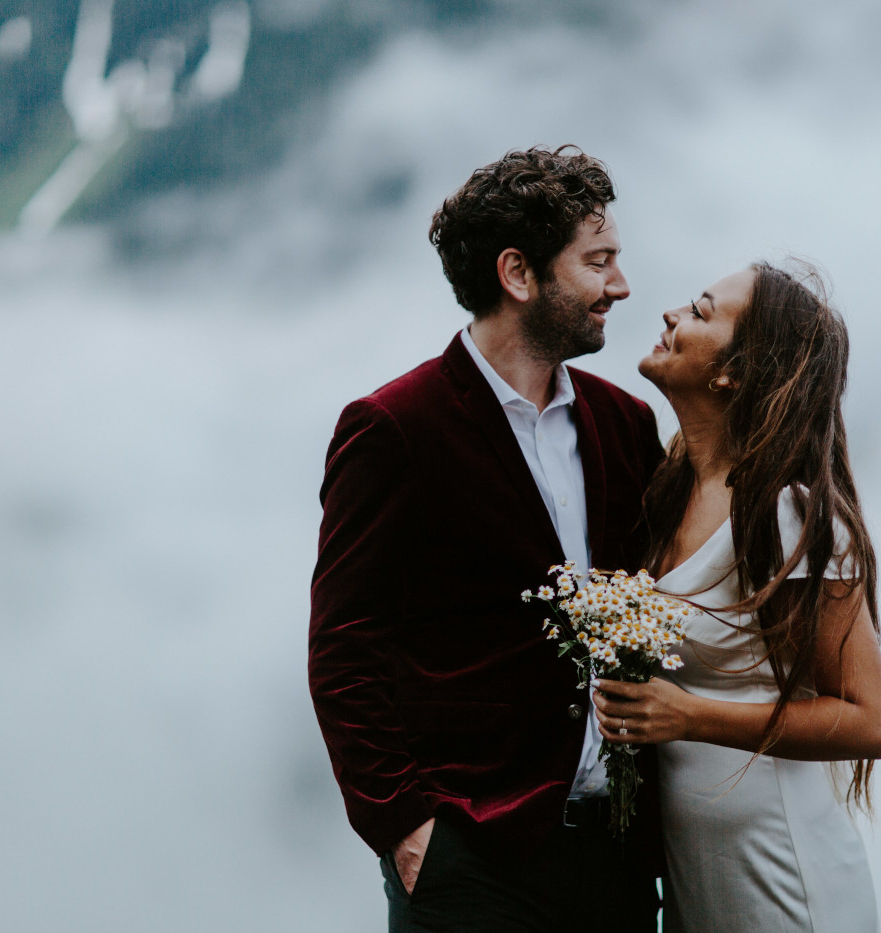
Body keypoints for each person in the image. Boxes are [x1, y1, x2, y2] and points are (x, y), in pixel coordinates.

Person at [308, 146, 666, 933]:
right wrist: (404, 824)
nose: (621, 284)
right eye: (598, 261)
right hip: (470, 862)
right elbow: (344, 646)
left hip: (616, 858)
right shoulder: (394, 428)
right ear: (518, 273)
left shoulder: (627, 424)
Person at [594, 262, 881, 932]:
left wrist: (687, 715)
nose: (671, 313)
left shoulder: (786, 512)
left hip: (783, 877)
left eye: (701, 312)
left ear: (734, 371)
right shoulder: (665, 490)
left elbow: (870, 722)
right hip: (701, 882)